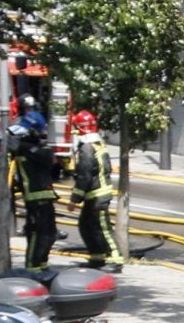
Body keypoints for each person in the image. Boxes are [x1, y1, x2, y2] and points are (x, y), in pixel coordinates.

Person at [13, 113, 62, 270]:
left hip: (44, 198)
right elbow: (48, 158)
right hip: (36, 200)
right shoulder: (26, 148)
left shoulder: (29, 148)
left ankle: (41, 265)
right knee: (37, 234)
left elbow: (52, 166)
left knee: (49, 234)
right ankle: (32, 268)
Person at [71, 115, 119, 269]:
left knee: (103, 228)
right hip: (95, 194)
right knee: (86, 226)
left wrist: (74, 198)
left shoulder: (86, 148)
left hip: (98, 195)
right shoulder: (98, 144)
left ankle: (115, 260)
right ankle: (97, 257)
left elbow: (84, 175)